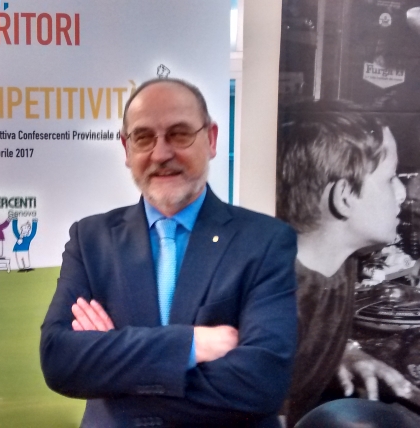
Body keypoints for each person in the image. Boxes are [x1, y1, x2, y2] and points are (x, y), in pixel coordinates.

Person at [40, 78, 299, 427]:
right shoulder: (90, 240)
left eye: (179, 134)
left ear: (211, 139)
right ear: (126, 149)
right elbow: (60, 360)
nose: (161, 154)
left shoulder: (265, 241)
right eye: (143, 137)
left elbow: (262, 381)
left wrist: (114, 369)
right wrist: (190, 344)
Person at [276, 102, 414, 427]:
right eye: (390, 179)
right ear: (344, 197)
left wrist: (343, 353)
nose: (402, 194)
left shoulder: (341, 262)